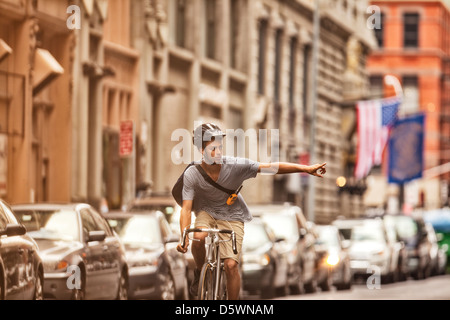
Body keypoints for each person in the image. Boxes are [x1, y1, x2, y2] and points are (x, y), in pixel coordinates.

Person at [176, 123, 326, 300]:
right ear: (202, 150)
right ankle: (201, 271)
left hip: (232, 214)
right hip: (206, 211)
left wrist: (305, 169)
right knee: (199, 238)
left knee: (231, 265)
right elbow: (186, 209)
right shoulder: (192, 174)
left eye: (220, 147)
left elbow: (271, 167)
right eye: (213, 148)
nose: (218, 152)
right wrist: (184, 236)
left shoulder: (235, 166)